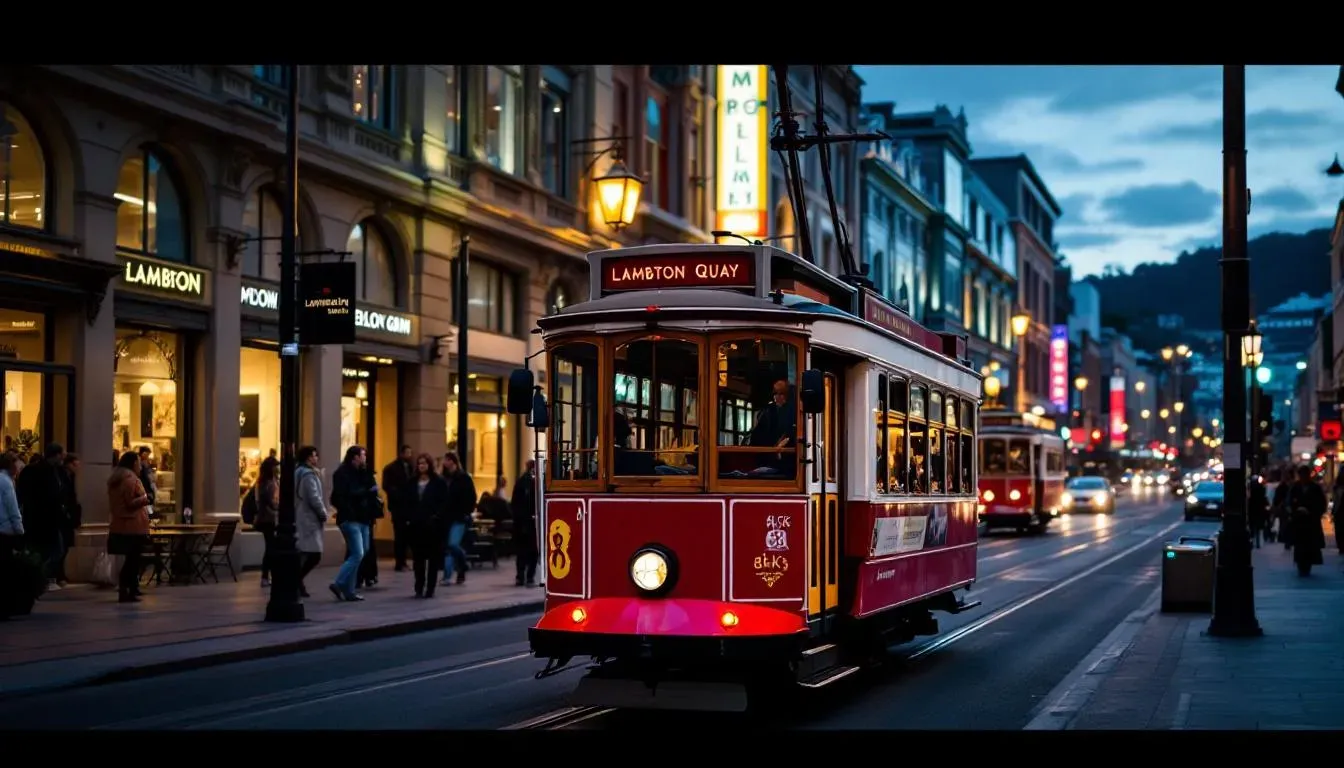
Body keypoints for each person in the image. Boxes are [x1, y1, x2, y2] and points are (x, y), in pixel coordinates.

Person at [330, 446, 380, 601]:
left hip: (364, 518)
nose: (365, 458)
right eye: (363, 455)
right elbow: (343, 495)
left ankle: (349, 591)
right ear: (355, 457)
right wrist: (367, 492)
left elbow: (371, 490)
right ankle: (338, 583)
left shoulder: (364, 472)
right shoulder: (342, 473)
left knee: (361, 552)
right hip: (350, 518)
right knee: (358, 553)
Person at [106, 451, 153, 604]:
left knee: (130, 558)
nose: (140, 466)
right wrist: (146, 499)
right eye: (139, 463)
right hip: (134, 525)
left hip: (120, 524)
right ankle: (127, 590)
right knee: (133, 560)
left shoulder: (116, 479)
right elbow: (131, 503)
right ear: (134, 463)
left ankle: (131, 589)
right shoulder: (131, 480)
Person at [406, 453, 448, 597]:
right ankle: (418, 586)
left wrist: (437, 517)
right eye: (419, 463)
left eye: (424, 463)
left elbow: (444, 502)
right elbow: (407, 502)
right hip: (417, 525)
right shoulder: (412, 482)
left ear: (429, 465)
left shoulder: (438, 482)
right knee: (418, 559)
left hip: (433, 526)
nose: (421, 466)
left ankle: (430, 588)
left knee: (433, 560)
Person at [294, 446, 327, 598]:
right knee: (314, 554)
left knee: (305, 553)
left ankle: (298, 583)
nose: (316, 459)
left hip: (302, 516)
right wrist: (322, 513)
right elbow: (314, 497)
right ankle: (296, 581)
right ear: (308, 457)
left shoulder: (298, 471)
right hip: (309, 518)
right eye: (314, 456)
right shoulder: (308, 475)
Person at [440, 452, 476, 586]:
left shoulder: (463, 478)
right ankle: (451, 574)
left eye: (447, 460)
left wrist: (466, 512)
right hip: (446, 517)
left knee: (452, 544)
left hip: (460, 517)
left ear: (453, 462)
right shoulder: (443, 478)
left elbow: (471, 497)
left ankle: (461, 565)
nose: (445, 462)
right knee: (448, 548)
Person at [1287, 464, 1327, 576]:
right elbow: (1289, 502)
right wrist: (1295, 510)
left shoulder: (1315, 488)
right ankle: (1301, 564)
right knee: (1300, 545)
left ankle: (1307, 564)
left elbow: (1321, 504)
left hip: (1311, 522)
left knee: (1310, 545)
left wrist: (1312, 512)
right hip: (1299, 521)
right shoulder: (1295, 487)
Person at [381, 445, 416, 572]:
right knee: (399, 534)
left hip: (410, 507)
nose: (409, 455)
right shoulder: (391, 468)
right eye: (407, 453)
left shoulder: (412, 467)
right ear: (401, 453)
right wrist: (398, 495)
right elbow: (386, 486)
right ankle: (399, 562)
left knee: (408, 535)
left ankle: (405, 560)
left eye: (410, 453)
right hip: (398, 507)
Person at [251, 457, 281, 587]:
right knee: (271, 548)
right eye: (276, 466)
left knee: (272, 548)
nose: (278, 469)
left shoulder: (270, 480)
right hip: (268, 519)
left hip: (270, 517)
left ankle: (269, 575)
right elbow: (269, 500)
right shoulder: (266, 482)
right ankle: (266, 576)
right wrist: (277, 506)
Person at [511, 460, 538, 587]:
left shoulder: (521, 481)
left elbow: (515, 503)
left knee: (522, 551)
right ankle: (529, 576)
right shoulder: (534, 482)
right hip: (531, 521)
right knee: (532, 551)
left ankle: (521, 576)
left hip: (522, 522)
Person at [1247, 476, 1269, 549]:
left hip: (1254, 509)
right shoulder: (1261, 488)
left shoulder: (1252, 489)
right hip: (1259, 509)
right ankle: (1257, 542)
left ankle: (1253, 541)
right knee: (1258, 527)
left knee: (1253, 527)